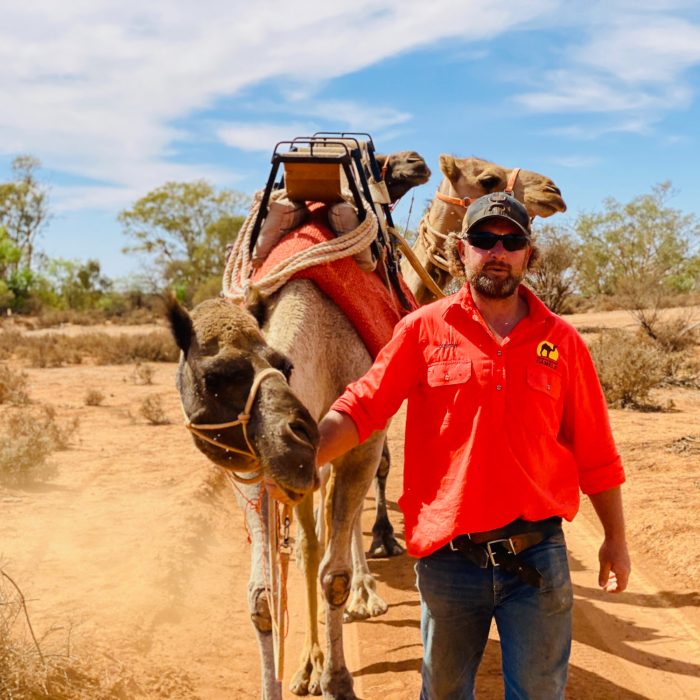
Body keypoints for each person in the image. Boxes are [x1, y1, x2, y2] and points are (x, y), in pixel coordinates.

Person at [316, 191, 631, 699]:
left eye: (512, 241)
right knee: (442, 693)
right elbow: (363, 406)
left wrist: (614, 538)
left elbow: (596, 451)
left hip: (539, 558)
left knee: (538, 693)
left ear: (529, 253)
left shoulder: (562, 342)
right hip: (449, 560)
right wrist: (304, 457)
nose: (497, 251)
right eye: (484, 239)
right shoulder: (422, 330)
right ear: (461, 250)